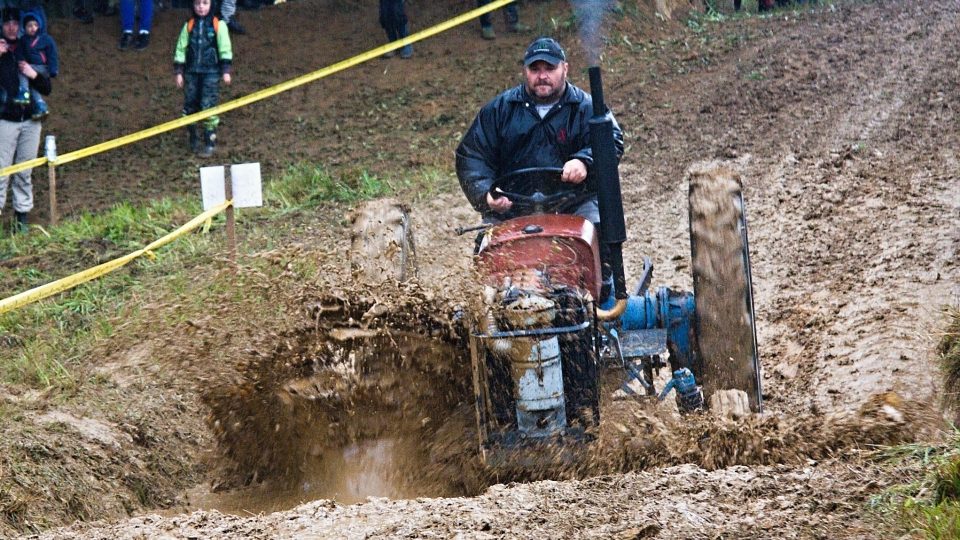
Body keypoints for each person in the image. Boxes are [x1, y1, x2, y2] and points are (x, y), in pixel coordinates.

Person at [456, 36, 623, 226]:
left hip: (575, 202)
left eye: (550, 68)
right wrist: (487, 194)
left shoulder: (587, 107)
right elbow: (471, 155)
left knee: (597, 231)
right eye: (535, 69)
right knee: (487, 247)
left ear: (565, 69)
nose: (542, 76)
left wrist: (584, 161)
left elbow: (612, 140)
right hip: (513, 207)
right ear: (525, 71)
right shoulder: (499, 110)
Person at [0, 7, 51, 234]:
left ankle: (22, 218)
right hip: (5, 120)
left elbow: (47, 86)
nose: (11, 27)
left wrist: (34, 74)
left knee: (25, 171)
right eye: (7, 23)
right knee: (1, 171)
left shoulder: (30, 47)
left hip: (31, 120)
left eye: (14, 23)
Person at [173, 0, 232, 157]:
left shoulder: (218, 25)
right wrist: (179, 71)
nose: (201, 7)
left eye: (205, 3)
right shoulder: (189, 25)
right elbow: (181, 48)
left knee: (208, 104)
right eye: (197, 3)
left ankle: (209, 140)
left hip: (211, 72)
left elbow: (225, 48)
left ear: (211, 5)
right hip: (191, 72)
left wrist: (226, 70)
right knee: (189, 103)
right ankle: (193, 137)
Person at [18, 11, 57, 120]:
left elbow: (52, 54)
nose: (33, 28)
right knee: (32, 83)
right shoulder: (23, 40)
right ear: (24, 28)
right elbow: (19, 52)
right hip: (31, 66)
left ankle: (24, 92)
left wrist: (53, 69)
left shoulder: (45, 39)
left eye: (35, 25)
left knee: (23, 70)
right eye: (29, 26)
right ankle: (40, 104)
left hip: (42, 67)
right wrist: (21, 60)